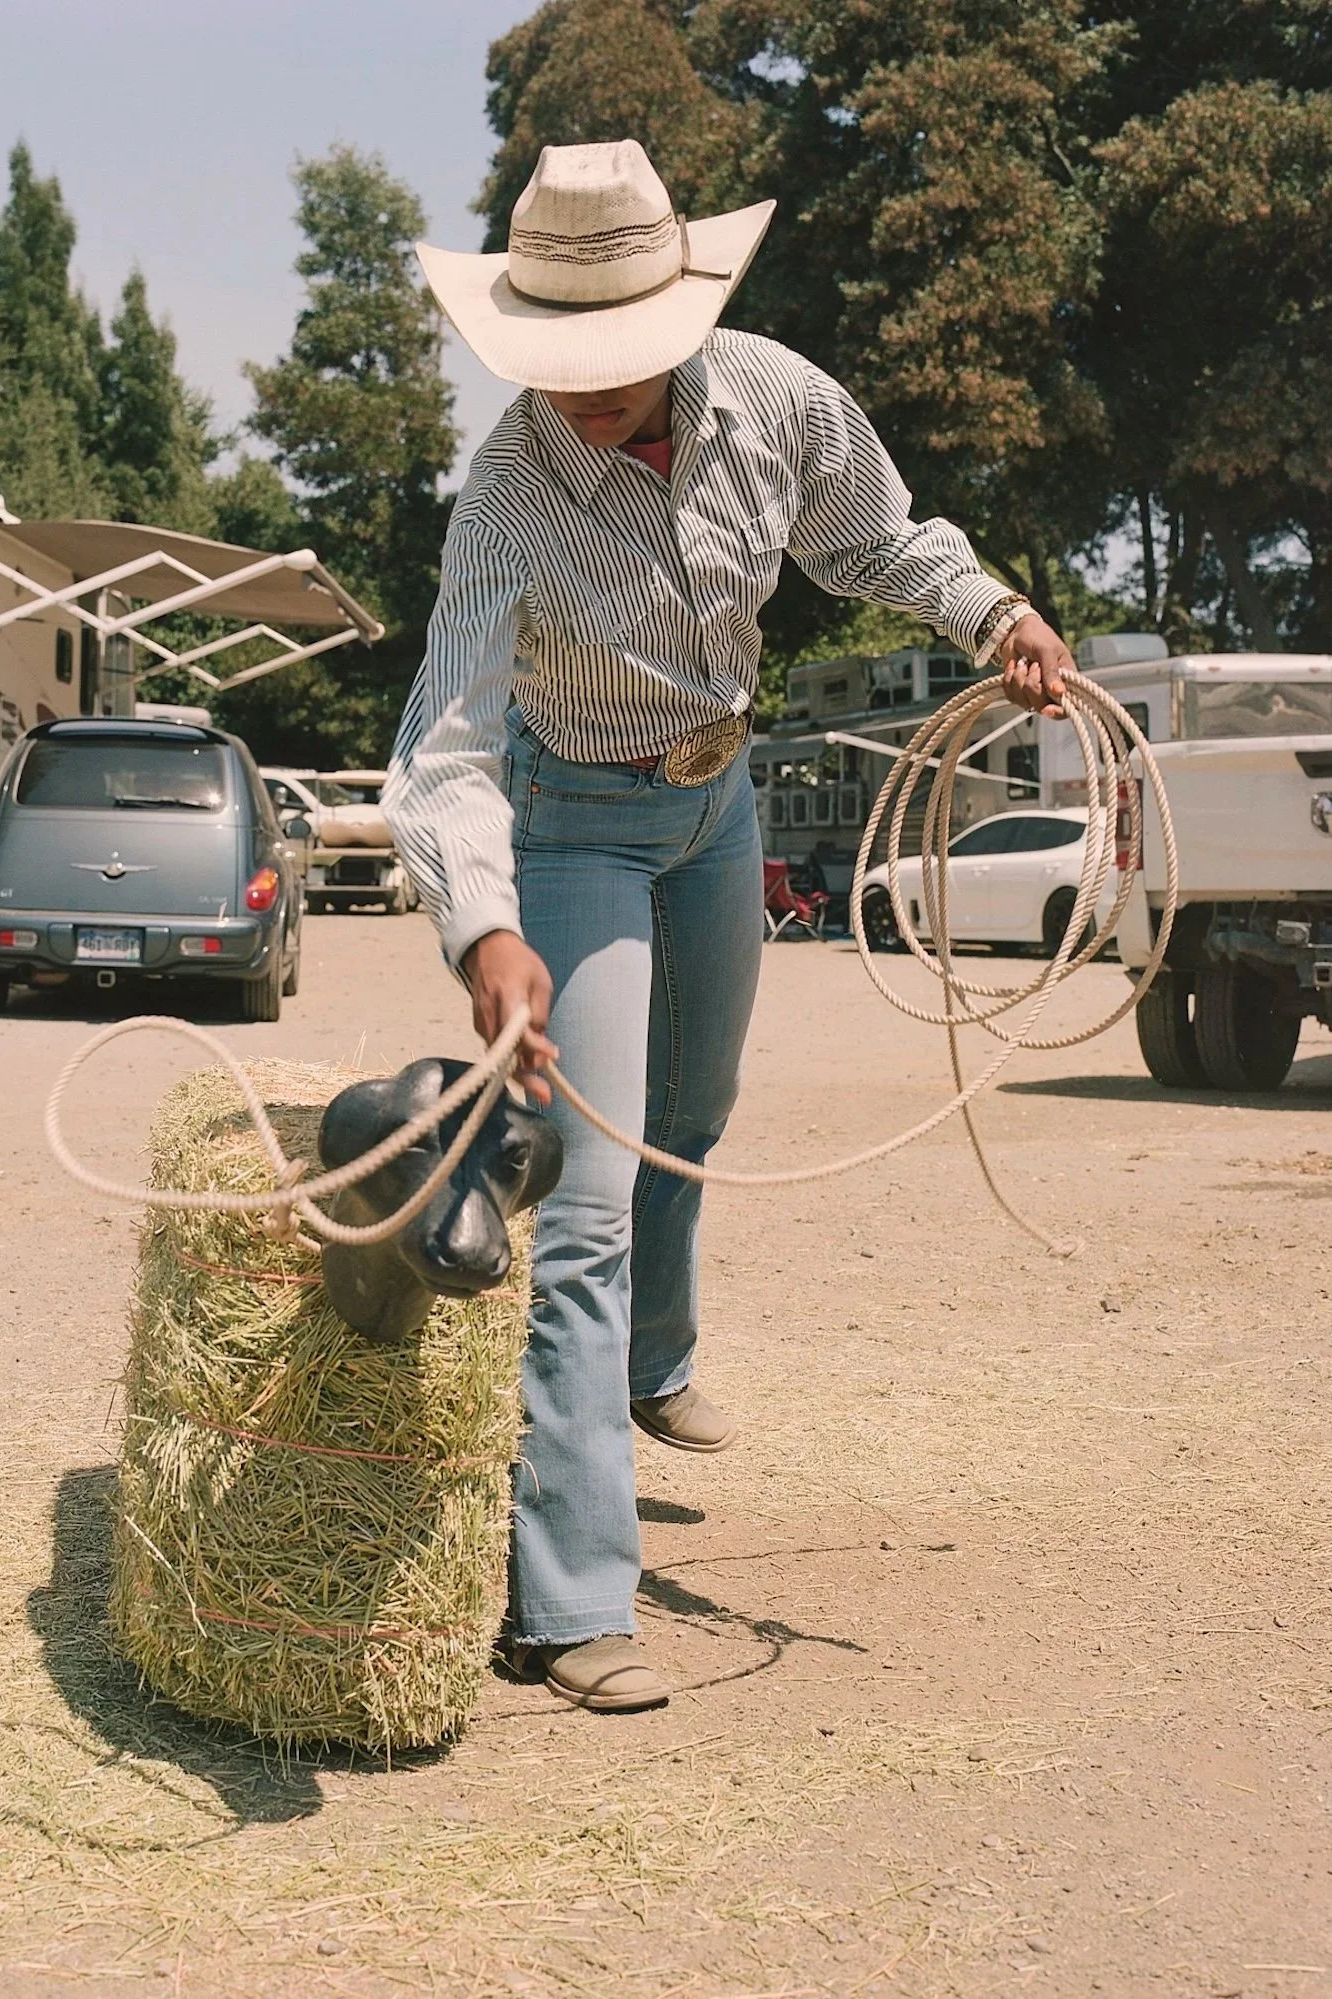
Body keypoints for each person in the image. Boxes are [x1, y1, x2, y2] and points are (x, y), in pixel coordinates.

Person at [383, 140, 1071, 1713]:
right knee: (592, 1196)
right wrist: (484, 930)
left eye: (617, 358)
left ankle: (651, 1360)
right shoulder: (502, 499)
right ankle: (564, 1602)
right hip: (572, 822)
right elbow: (447, 737)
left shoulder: (775, 400)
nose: (589, 391)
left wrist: (993, 613)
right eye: (563, 364)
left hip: (716, 804)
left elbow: (872, 539)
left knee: (697, 1112)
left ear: (677, 318)